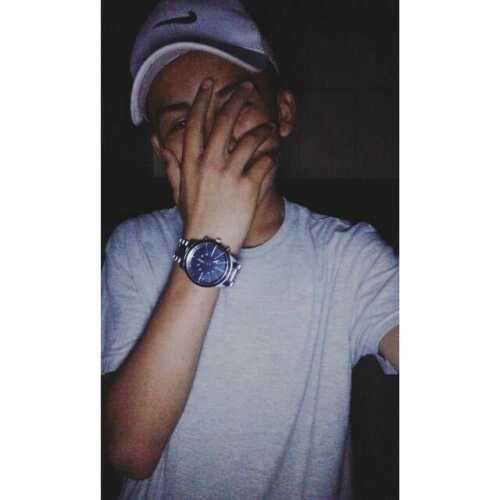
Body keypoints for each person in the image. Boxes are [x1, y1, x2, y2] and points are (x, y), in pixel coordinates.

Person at [101, 1, 399, 498]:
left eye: (230, 106)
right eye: (182, 124)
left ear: (281, 112)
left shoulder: (347, 257)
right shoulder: (135, 248)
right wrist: (207, 239)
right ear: (161, 149)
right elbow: (130, 450)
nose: (211, 136)